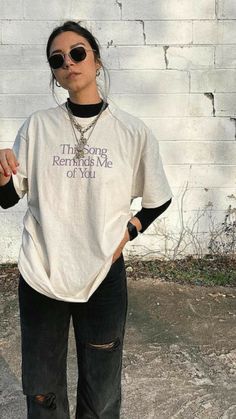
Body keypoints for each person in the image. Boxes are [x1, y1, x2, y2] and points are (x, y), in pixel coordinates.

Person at [0, 21, 172, 419]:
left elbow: (157, 199)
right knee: (42, 390)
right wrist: (2, 175)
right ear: (55, 75)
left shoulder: (131, 131)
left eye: (78, 53)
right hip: (42, 274)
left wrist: (128, 232)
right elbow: (8, 199)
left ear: (96, 59)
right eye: (57, 60)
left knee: (102, 388)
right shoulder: (38, 127)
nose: (69, 64)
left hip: (103, 275)